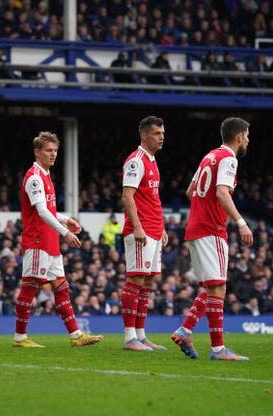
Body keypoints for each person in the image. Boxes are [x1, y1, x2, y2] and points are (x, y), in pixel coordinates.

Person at [172, 117, 253, 361]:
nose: (248, 140)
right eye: (247, 136)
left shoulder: (209, 156)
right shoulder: (229, 158)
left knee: (212, 286)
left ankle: (185, 330)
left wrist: (201, 211)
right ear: (239, 136)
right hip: (211, 228)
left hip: (196, 227)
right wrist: (241, 222)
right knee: (218, 287)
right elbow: (221, 192)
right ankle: (218, 349)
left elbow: (190, 191)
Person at [13, 131, 103, 348]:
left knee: (61, 287)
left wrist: (66, 219)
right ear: (37, 152)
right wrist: (66, 232)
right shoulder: (35, 177)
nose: (53, 154)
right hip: (37, 240)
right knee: (30, 286)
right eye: (48, 150)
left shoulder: (45, 175)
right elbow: (42, 212)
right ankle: (20, 338)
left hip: (50, 241)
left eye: (55, 150)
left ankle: (76, 335)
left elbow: (49, 210)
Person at [120, 116, 168, 352]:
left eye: (162, 133)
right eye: (157, 133)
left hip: (154, 229)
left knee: (147, 281)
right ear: (144, 135)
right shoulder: (136, 161)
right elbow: (127, 196)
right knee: (136, 279)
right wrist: (138, 226)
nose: (161, 137)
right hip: (140, 230)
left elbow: (152, 198)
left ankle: (140, 334)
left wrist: (162, 228)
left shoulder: (152, 161)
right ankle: (129, 338)